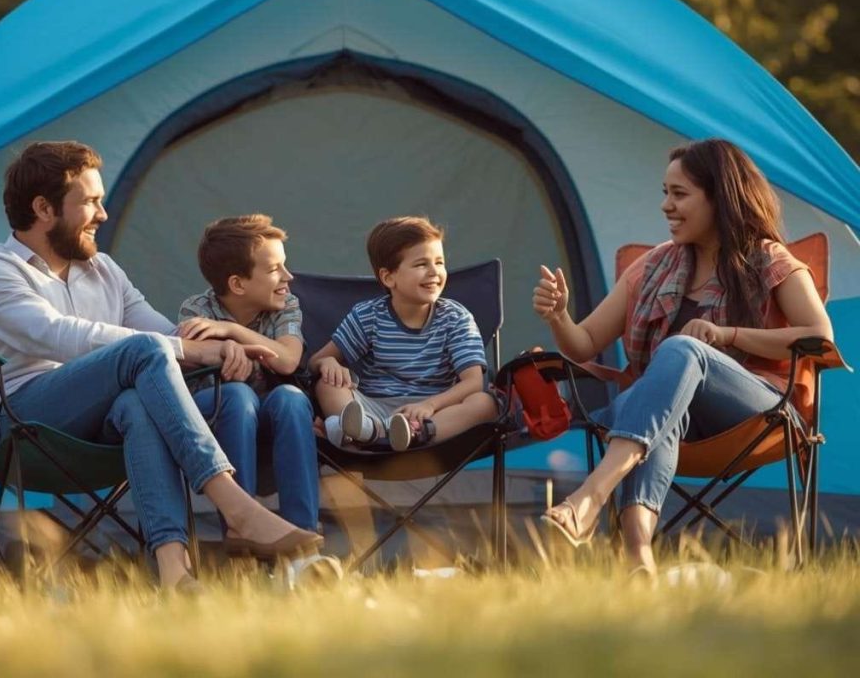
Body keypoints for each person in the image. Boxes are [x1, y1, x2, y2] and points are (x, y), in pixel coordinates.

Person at [0, 141, 322, 591]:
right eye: (90, 201)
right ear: (43, 208)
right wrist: (189, 350)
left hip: (102, 417)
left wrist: (219, 339)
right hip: (22, 420)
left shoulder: (104, 271)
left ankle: (174, 572)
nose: (103, 214)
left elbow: (168, 334)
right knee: (146, 351)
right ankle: (238, 507)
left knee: (137, 402)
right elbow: (60, 336)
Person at [532, 139, 833, 576]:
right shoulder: (654, 266)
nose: (665, 206)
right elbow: (583, 343)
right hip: (667, 413)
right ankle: (639, 561)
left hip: (753, 411)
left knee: (681, 349)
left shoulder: (769, 260)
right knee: (656, 408)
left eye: (679, 194)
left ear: (719, 197)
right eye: (664, 192)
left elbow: (820, 334)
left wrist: (728, 334)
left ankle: (590, 498)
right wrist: (559, 315)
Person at [176, 215, 319, 534]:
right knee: (237, 394)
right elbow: (191, 361)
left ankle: (303, 532)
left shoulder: (286, 305)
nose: (288, 276)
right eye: (273, 270)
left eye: (284, 265)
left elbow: (287, 360)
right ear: (237, 284)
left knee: (292, 399)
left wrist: (231, 330)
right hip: (212, 422)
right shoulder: (196, 311)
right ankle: (242, 530)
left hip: (273, 417)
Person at [310, 216, 499, 452]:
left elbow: (472, 382)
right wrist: (327, 363)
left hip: (434, 412)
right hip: (373, 409)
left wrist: (429, 405)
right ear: (389, 277)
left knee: (484, 403)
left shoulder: (456, 318)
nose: (434, 272)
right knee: (327, 383)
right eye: (421, 264)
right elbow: (316, 361)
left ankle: (414, 434)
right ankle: (368, 431)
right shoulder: (369, 316)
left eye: (439, 262)